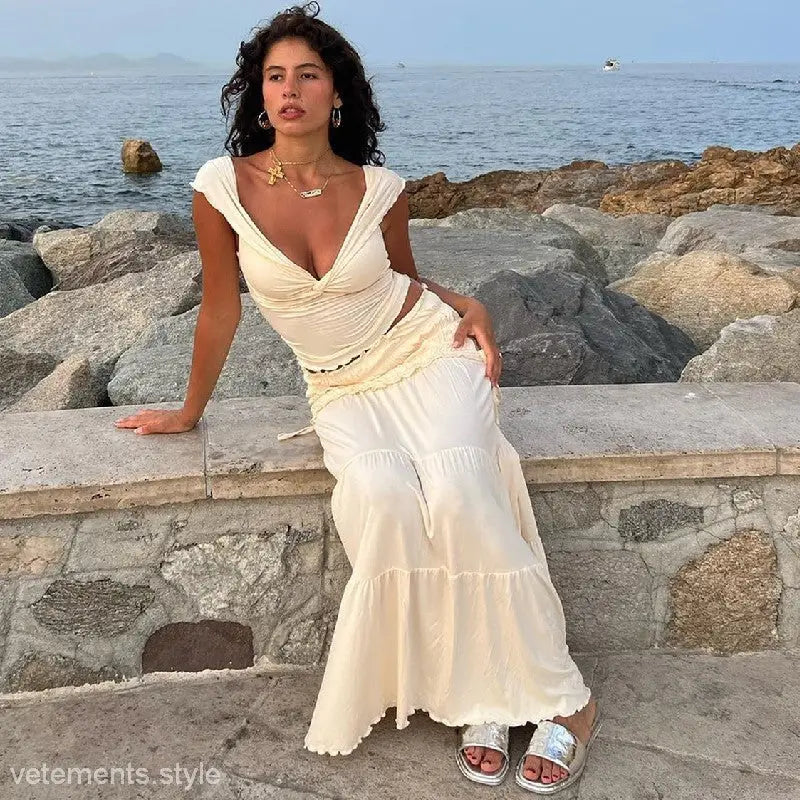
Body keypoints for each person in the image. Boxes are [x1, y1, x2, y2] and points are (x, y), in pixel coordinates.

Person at [113, 2, 600, 792]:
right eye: (275, 76)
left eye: (308, 74)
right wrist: (188, 412)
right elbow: (219, 308)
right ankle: (478, 682)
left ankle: (562, 698)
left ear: (336, 93)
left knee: (460, 491)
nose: (289, 90)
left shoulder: (380, 187)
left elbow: (404, 280)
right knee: (380, 498)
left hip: (426, 352)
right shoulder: (220, 188)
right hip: (342, 387)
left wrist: (467, 305)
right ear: (257, 93)